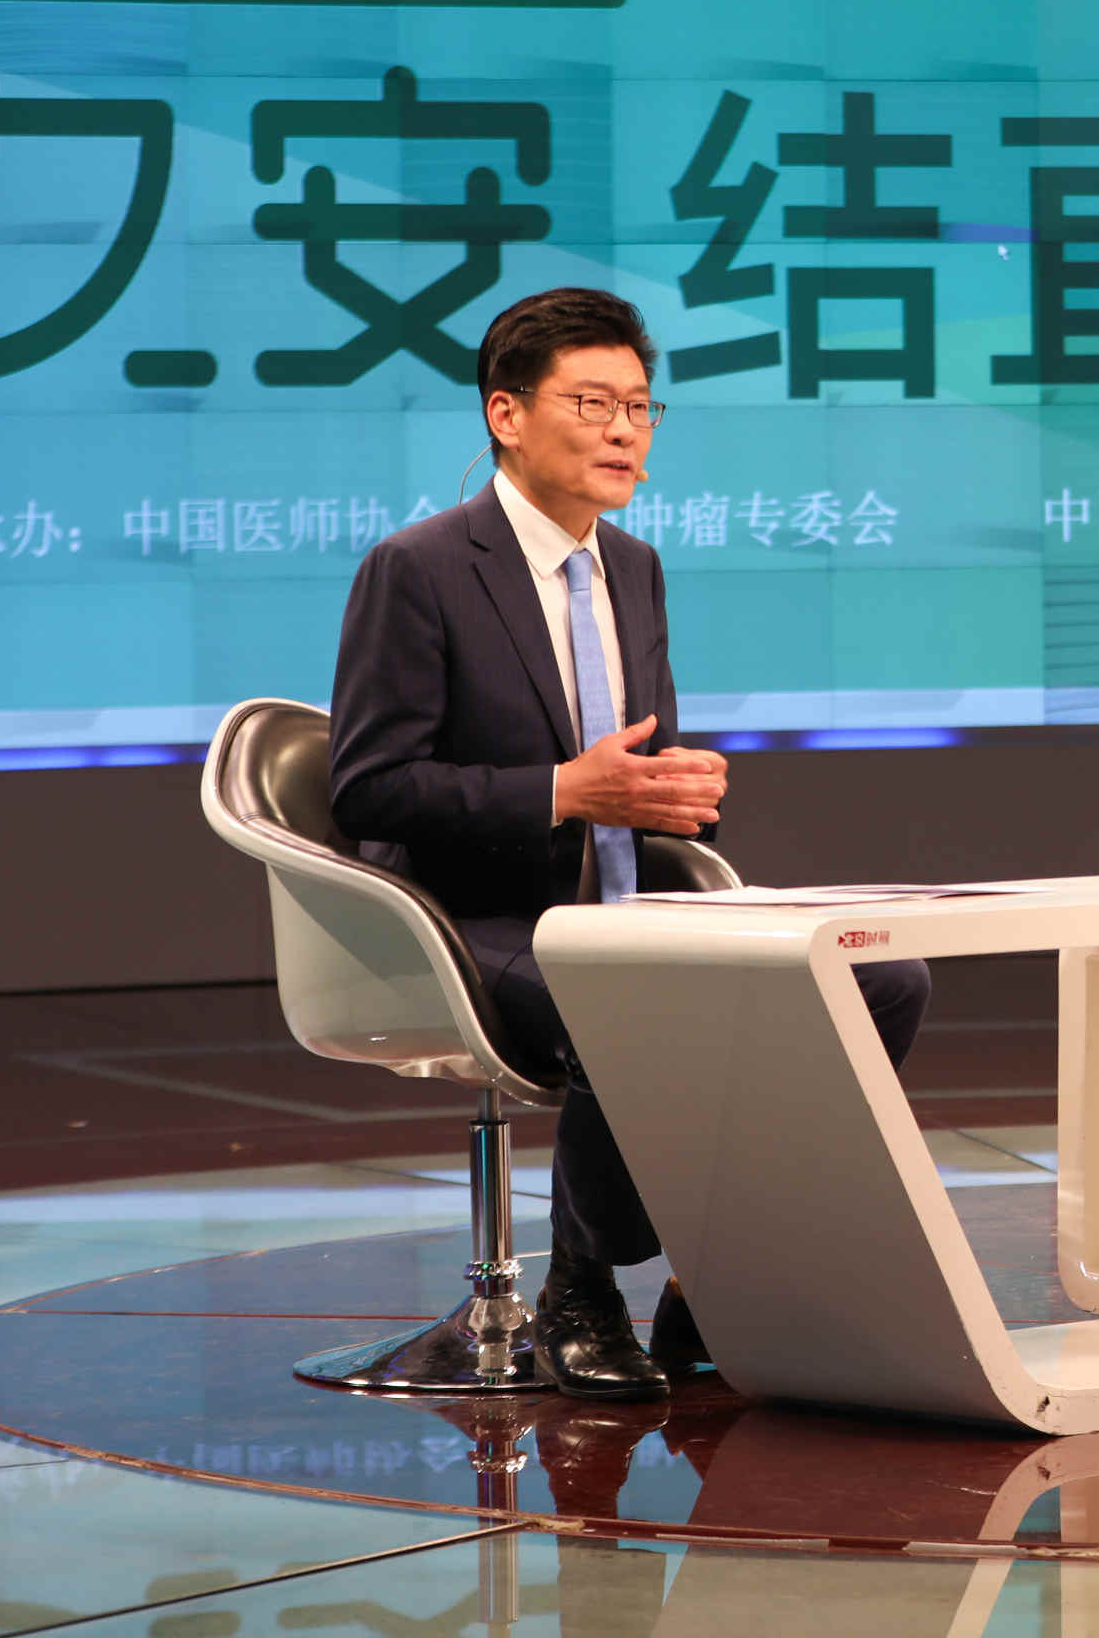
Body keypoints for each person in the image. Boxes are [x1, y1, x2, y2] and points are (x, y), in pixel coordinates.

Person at [327, 286, 933, 1402]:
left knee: (879, 979)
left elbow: (637, 764)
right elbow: (371, 788)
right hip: (473, 917)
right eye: (593, 403)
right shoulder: (420, 569)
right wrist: (566, 791)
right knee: (632, 994)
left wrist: (676, 794)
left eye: (641, 408)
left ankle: (718, 1274)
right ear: (507, 414)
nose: (624, 432)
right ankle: (581, 1287)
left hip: (630, 900)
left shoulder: (635, 567)